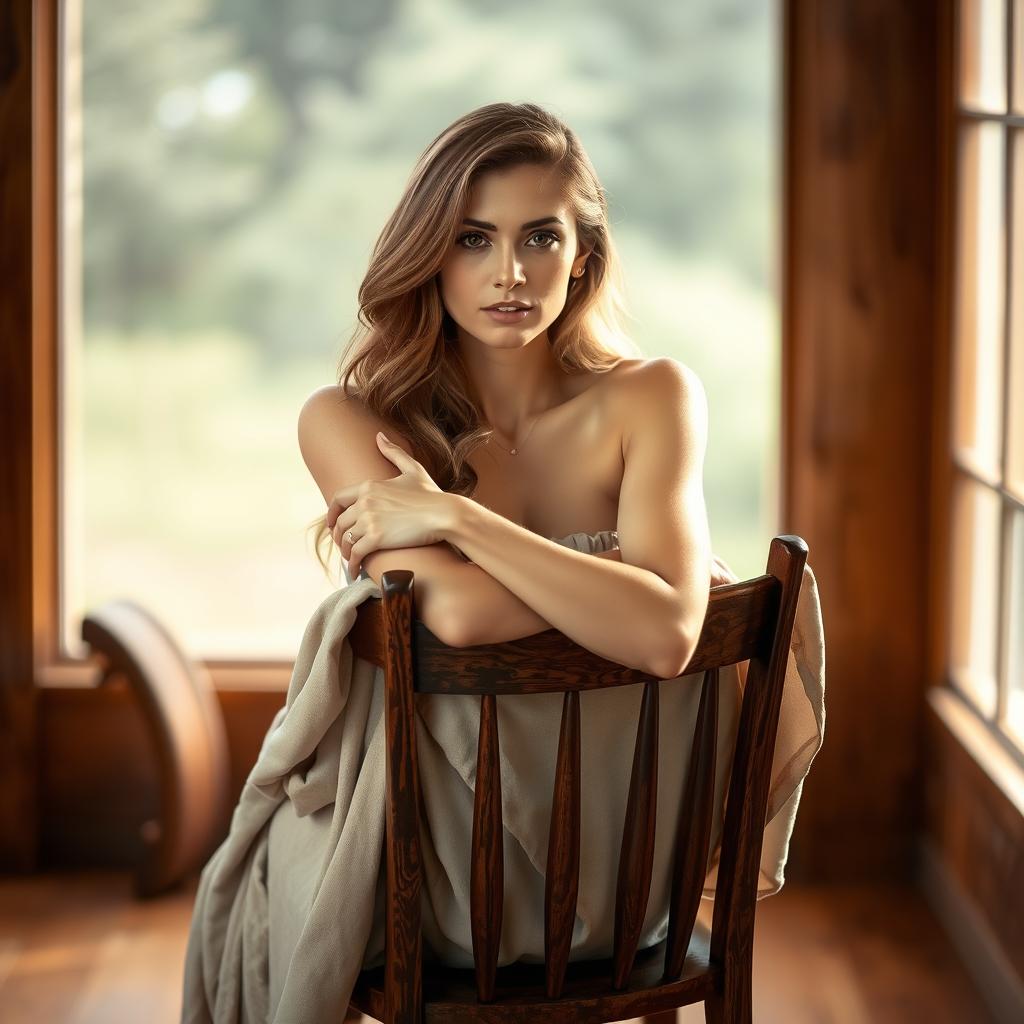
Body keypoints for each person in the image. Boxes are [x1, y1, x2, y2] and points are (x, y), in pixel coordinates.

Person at [182, 101, 823, 1024]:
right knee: (258, 866)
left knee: (269, 855)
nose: (510, 273)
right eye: (474, 238)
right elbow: (464, 621)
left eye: (541, 238)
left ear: (584, 256)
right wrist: (617, 581)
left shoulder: (654, 396)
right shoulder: (349, 419)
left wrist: (454, 520)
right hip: (438, 886)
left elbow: (668, 634)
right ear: (431, 252)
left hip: (621, 886)